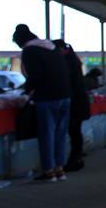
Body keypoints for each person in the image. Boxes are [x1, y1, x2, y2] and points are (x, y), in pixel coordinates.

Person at [13, 24, 71, 182]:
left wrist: (26, 89)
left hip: (47, 97)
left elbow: (35, 76)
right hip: (65, 95)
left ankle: (49, 172)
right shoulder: (51, 47)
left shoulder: (30, 51)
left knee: (47, 135)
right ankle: (60, 169)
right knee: (60, 134)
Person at [52, 40, 90, 172]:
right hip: (77, 101)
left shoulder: (68, 62)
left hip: (75, 102)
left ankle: (75, 159)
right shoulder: (73, 60)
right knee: (75, 132)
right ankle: (76, 159)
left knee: (74, 132)